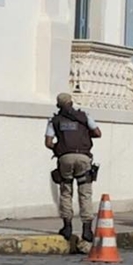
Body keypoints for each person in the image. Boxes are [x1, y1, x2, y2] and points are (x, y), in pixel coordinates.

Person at [44, 92, 101, 243]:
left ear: (58, 105)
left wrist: (60, 148)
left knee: (66, 191)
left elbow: (48, 143)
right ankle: (87, 230)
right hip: (83, 156)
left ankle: (67, 227)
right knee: (85, 192)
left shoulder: (54, 120)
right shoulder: (84, 116)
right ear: (71, 103)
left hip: (65, 158)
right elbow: (97, 133)